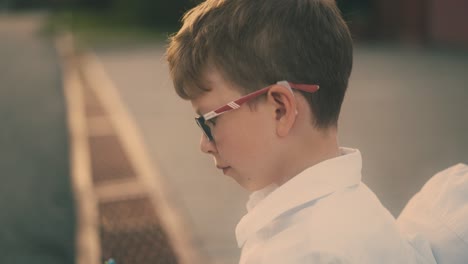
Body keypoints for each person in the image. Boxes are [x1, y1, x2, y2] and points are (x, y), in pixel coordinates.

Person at [166, 0, 437, 263]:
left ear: (280, 110)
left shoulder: (301, 252)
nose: (204, 144)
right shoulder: (358, 211)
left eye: (210, 121)